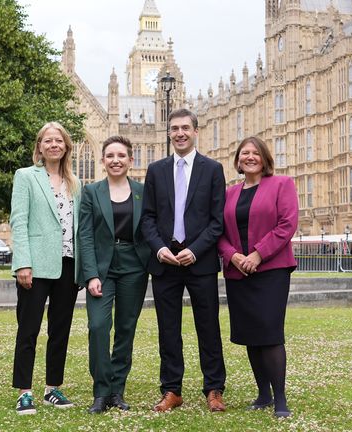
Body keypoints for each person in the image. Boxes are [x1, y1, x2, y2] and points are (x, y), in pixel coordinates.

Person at [141, 108, 227, 413]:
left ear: (195, 131)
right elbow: (148, 218)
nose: (180, 133)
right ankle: (171, 390)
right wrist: (159, 248)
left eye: (185, 128)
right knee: (168, 329)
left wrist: (198, 249)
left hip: (199, 261)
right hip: (165, 262)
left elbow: (217, 221)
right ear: (168, 133)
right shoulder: (156, 170)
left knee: (208, 326)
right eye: (174, 128)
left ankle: (214, 389)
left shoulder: (213, 169)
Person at [218, 136, 298, 418]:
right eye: (244, 154)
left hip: (271, 270)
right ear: (238, 161)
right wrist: (233, 256)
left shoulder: (282, 184)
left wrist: (257, 254)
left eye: (255, 153)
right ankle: (263, 394)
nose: (249, 157)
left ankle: (280, 399)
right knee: (251, 334)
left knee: (270, 332)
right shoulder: (230, 194)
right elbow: (219, 232)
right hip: (238, 272)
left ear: (264, 158)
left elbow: (287, 224)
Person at [9, 121, 82, 415]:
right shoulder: (26, 176)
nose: (54, 145)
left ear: (66, 146)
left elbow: (78, 228)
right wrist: (22, 263)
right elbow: (19, 220)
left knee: (60, 330)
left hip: (68, 264)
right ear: (39, 146)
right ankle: (24, 392)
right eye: (48, 140)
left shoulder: (75, 183)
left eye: (59, 141)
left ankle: (53, 388)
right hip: (36, 265)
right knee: (28, 329)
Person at [78, 136, 150, 414]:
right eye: (110, 156)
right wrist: (91, 274)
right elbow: (84, 234)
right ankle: (101, 390)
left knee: (125, 329)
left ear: (131, 160)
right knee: (97, 327)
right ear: (103, 160)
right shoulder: (92, 192)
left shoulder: (143, 192)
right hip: (102, 268)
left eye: (121, 155)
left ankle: (117, 391)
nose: (115, 160)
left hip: (134, 265)